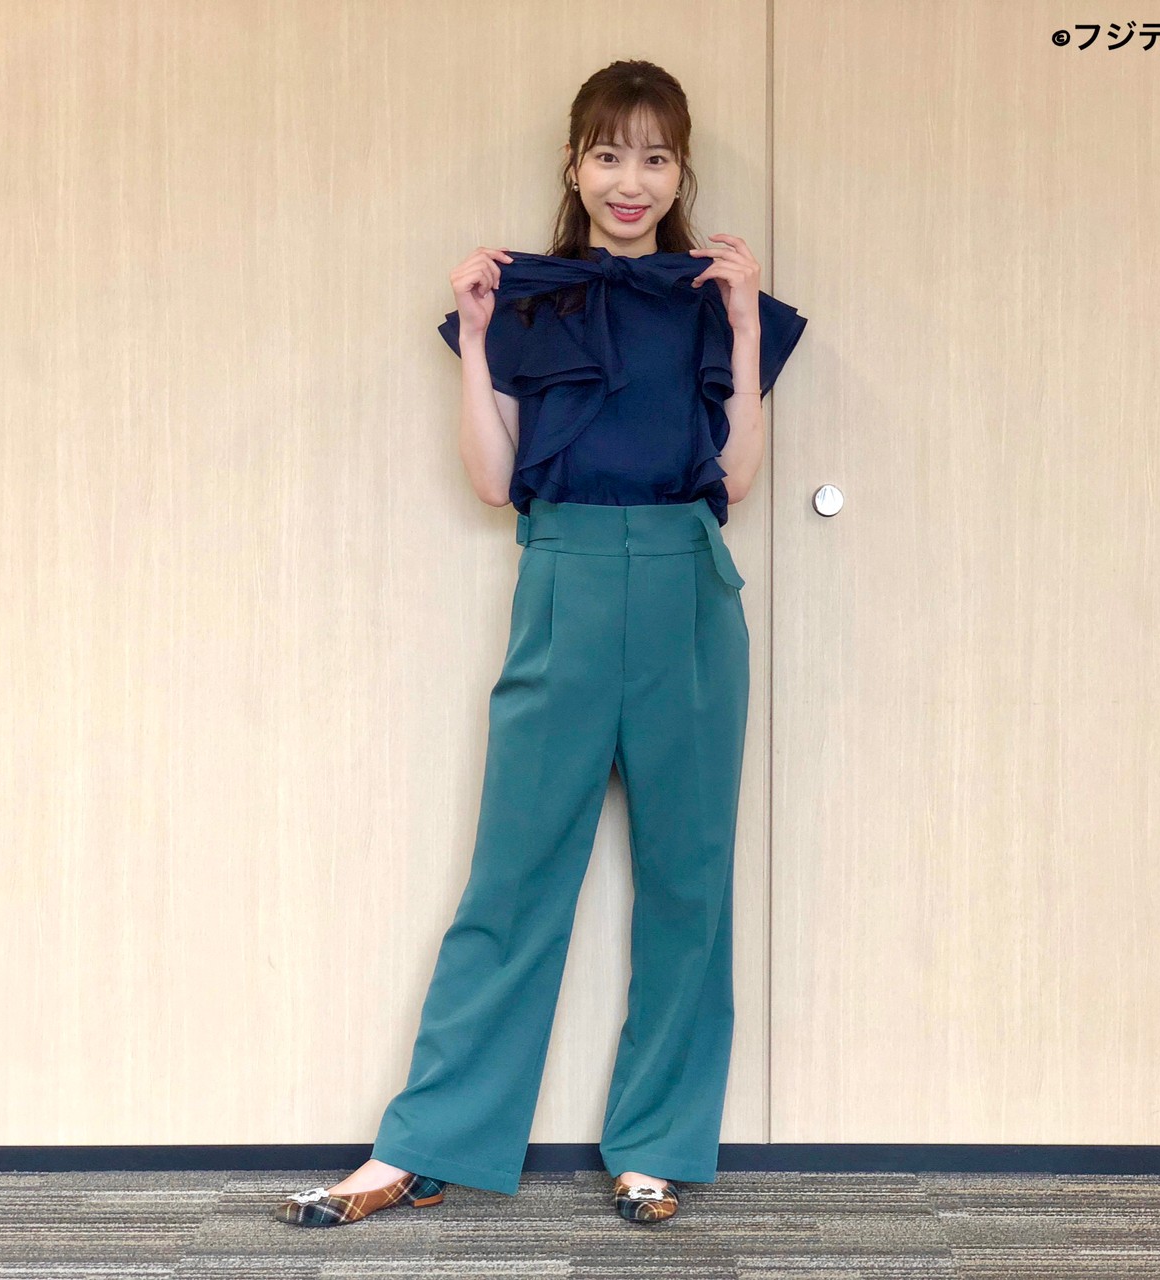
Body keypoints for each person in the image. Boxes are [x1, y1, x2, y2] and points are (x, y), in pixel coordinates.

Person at [274, 58, 806, 1230]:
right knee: (511, 878)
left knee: (688, 880)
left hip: (686, 588)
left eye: (654, 156)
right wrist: (473, 337)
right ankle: (420, 1143)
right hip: (560, 577)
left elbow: (733, 480)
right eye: (608, 154)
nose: (630, 180)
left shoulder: (715, 301)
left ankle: (655, 1145)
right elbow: (491, 478)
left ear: (680, 172)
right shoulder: (521, 301)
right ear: (572, 165)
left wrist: (738, 324)